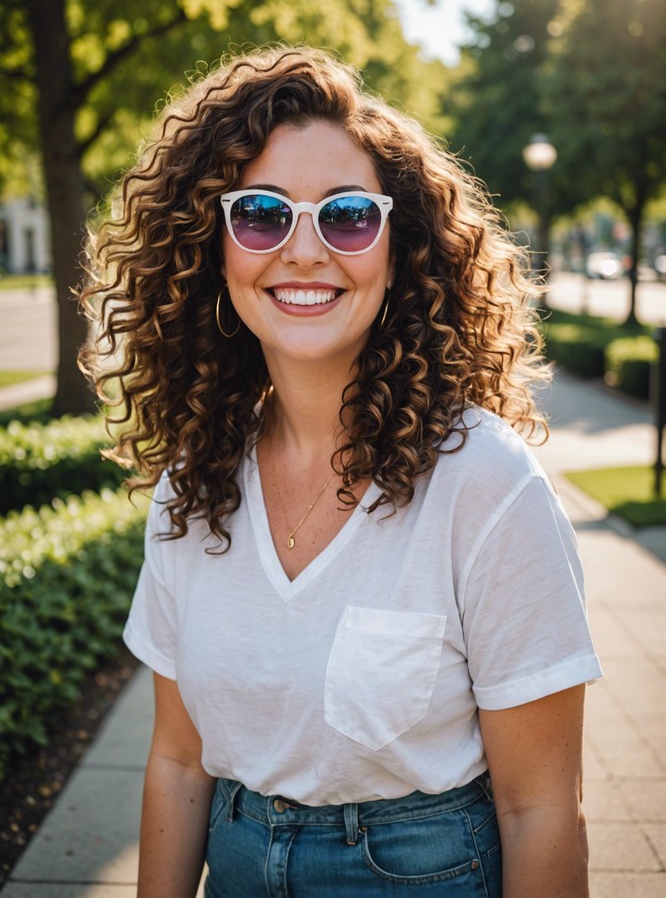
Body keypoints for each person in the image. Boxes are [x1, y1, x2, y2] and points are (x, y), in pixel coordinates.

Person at [80, 45, 602, 898]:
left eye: (349, 216)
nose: (305, 250)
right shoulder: (194, 481)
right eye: (260, 214)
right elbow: (178, 762)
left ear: (400, 248)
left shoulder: (486, 486)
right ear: (213, 248)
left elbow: (541, 811)